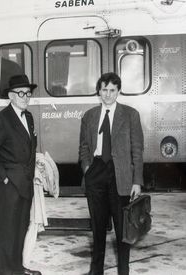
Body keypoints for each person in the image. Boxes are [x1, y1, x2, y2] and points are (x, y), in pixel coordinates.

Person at [79, 72, 144, 275]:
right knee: (98, 228)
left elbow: (137, 150)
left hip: (121, 175)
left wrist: (136, 181)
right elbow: (83, 147)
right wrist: (88, 168)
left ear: (118, 91)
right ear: (99, 91)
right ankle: (96, 270)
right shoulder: (89, 116)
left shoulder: (130, 115)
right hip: (96, 172)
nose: (108, 94)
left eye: (112, 90)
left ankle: (123, 271)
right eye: (104, 90)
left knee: (123, 229)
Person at [0, 74, 42, 275]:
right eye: (21, 93)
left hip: (26, 184)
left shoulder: (30, 117)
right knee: (7, 231)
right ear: (11, 95)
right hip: (10, 186)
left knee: (20, 228)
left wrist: (35, 173)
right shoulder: (1, 120)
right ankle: (6, 272)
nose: (25, 97)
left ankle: (17, 268)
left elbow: (30, 150)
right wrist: (3, 179)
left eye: (28, 93)